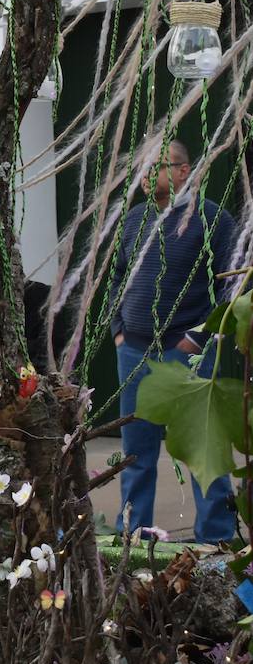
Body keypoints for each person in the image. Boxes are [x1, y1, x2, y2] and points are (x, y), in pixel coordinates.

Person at [111, 138, 237, 543]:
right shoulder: (133, 220)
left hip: (186, 353)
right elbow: (116, 278)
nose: (147, 175)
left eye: (157, 166)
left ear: (184, 171)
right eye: (143, 167)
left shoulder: (213, 219)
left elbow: (233, 284)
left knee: (202, 449)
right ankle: (134, 536)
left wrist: (199, 339)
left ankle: (216, 539)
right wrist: (117, 330)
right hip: (133, 350)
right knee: (136, 453)